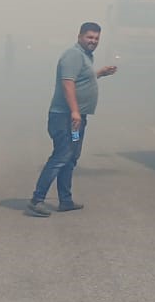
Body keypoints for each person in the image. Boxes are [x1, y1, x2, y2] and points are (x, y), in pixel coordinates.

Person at [26, 22, 117, 217]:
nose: (93, 41)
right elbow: (67, 83)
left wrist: (100, 73)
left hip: (76, 119)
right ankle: (37, 199)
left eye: (96, 38)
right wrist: (75, 111)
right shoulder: (73, 55)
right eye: (89, 37)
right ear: (80, 36)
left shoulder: (85, 57)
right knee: (61, 156)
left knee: (71, 157)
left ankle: (65, 200)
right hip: (65, 117)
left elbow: (82, 79)